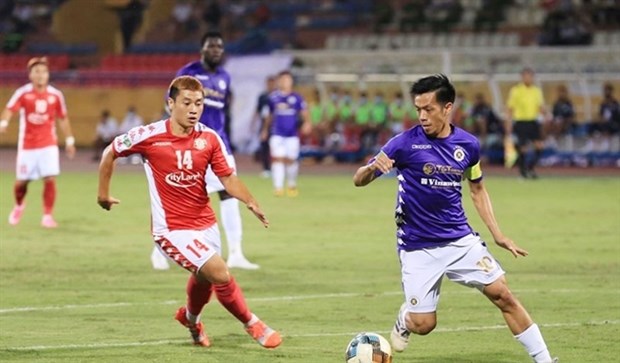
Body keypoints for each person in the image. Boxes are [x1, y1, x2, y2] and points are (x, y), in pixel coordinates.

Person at [353, 74, 558, 363]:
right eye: (418, 110)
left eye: (429, 109)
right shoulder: (402, 144)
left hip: (460, 240)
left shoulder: (469, 146)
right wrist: (373, 168)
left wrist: (498, 234)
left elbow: (477, 189)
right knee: (425, 325)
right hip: (417, 247)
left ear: (447, 108)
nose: (422, 116)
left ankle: (547, 360)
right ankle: (405, 317)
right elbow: (358, 180)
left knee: (503, 295)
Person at [97, 75, 282, 349]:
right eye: (187, 103)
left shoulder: (209, 138)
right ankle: (253, 323)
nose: (194, 109)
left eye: (199, 103)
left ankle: (191, 320)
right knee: (219, 272)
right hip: (170, 229)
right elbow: (109, 153)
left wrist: (250, 200)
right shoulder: (149, 136)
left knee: (204, 279)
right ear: (171, 104)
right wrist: (103, 194)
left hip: (205, 223)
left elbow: (228, 178)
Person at [156, 30, 259, 270]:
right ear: (202, 49)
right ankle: (159, 250)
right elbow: (169, 103)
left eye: (219, 47)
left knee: (229, 194)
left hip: (219, 144)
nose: (216, 51)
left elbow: (223, 112)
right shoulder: (188, 73)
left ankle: (235, 253)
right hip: (192, 146)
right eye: (211, 46)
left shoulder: (225, 77)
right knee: (182, 199)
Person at [0, 56, 76, 228]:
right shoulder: (23, 93)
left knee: (49, 178)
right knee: (22, 182)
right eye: (37, 71)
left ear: (48, 75)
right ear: (30, 75)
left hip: (48, 144)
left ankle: (47, 215)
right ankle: (19, 205)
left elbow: (63, 118)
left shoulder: (56, 95)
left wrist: (70, 140)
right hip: (27, 145)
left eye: (44, 71)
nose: (41, 75)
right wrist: (3, 123)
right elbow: (9, 109)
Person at [260, 70, 311, 197]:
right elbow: (268, 116)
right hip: (277, 133)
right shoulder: (273, 98)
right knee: (277, 159)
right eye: (283, 80)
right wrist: (265, 130)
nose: (285, 82)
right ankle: (278, 187)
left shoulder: (297, 97)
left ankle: (291, 185)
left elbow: (304, 112)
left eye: (287, 80)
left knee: (291, 160)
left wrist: (307, 123)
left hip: (292, 134)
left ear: (291, 81)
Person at [505, 68, 552, 179]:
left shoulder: (536, 91)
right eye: (525, 76)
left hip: (533, 122)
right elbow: (510, 108)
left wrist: (546, 116)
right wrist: (508, 123)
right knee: (523, 148)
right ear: (522, 77)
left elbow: (540, 106)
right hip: (520, 122)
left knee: (539, 146)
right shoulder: (516, 90)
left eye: (530, 76)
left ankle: (530, 168)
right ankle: (522, 172)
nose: (528, 78)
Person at [253, 75, 276, 178]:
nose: (270, 85)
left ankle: (276, 168)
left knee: (275, 148)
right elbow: (258, 110)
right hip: (264, 124)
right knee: (264, 147)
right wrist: (253, 122)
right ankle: (266, 169)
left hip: (276, 125)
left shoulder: (277, 96)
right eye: (268, 83)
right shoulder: (262, 96)